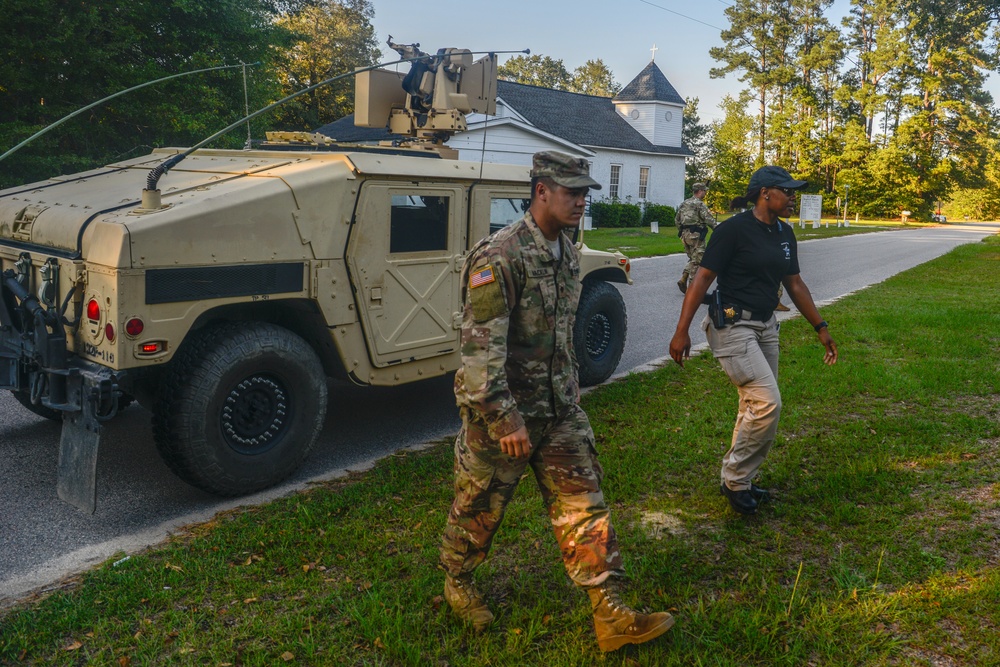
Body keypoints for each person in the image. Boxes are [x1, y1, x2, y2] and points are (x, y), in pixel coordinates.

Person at [440, 151, 674, 652]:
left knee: (584, 505)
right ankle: (457, 580)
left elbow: (560, 338)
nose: (582, 201)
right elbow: (479, 354)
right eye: (572, 192)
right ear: (541, 190)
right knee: (480, 507)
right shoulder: (499, 256)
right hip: (501, 415)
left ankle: (608, 611)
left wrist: (570, 398)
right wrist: (505, 421)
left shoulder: (567, 251)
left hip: (559, 411)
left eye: (585, 192)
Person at [668, 166, 838, 515]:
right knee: (766, 403)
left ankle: (739, 479)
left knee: (754, 405)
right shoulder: (733, 231)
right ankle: (735, 479)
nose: (793, 197)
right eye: (787, 191)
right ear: (765, 194)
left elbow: (795, 285)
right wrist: (681, 330)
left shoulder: (784, 233)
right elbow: (701, 280)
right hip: (732, 326)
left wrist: (820, 326)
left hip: (766, 326)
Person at [675, 183, 717, 294]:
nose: (705, 193)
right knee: (698, 262)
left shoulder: (684, 203)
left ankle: (683, 279)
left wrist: (683, 231)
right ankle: (693, 290)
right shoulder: (699, 204)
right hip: (696, 236)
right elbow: (709, 219)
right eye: (704, 191)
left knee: (693, 258)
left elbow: (677, 220)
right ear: (700, 191)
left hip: (685, 236)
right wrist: (718, 230)